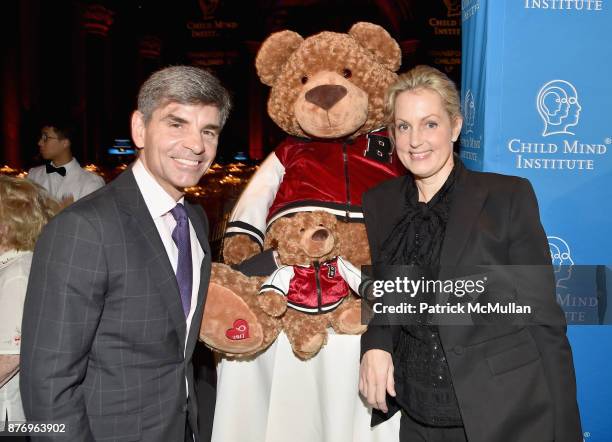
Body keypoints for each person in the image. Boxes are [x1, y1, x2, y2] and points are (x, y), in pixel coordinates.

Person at [358, 65, 582, 442]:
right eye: (403, 126)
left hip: (500, 412)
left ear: (456, 127)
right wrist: (376, 343)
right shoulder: (381, 204)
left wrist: (566, 430)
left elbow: (544, 320)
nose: (415, 141)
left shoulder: (507, 197)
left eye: (430, 124)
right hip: (416, 417)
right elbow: (389, 292)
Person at [20, 65, 231, 442]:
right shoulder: (83, 229)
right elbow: (47, 386)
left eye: (208, 131)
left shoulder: (195, 219)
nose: (196, 145)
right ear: (139, 129)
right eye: (176, 124)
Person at [0, 176, 59, 438]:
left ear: (5, 226)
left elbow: (11, 355)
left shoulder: (18, 272)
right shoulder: (11, 265)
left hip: (7, 416)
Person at [27, 118, 105, 205]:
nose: (39, 143)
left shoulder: (91, 183)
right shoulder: (33, 175)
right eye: (40, 137)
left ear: (65, 143)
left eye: (45, 138)